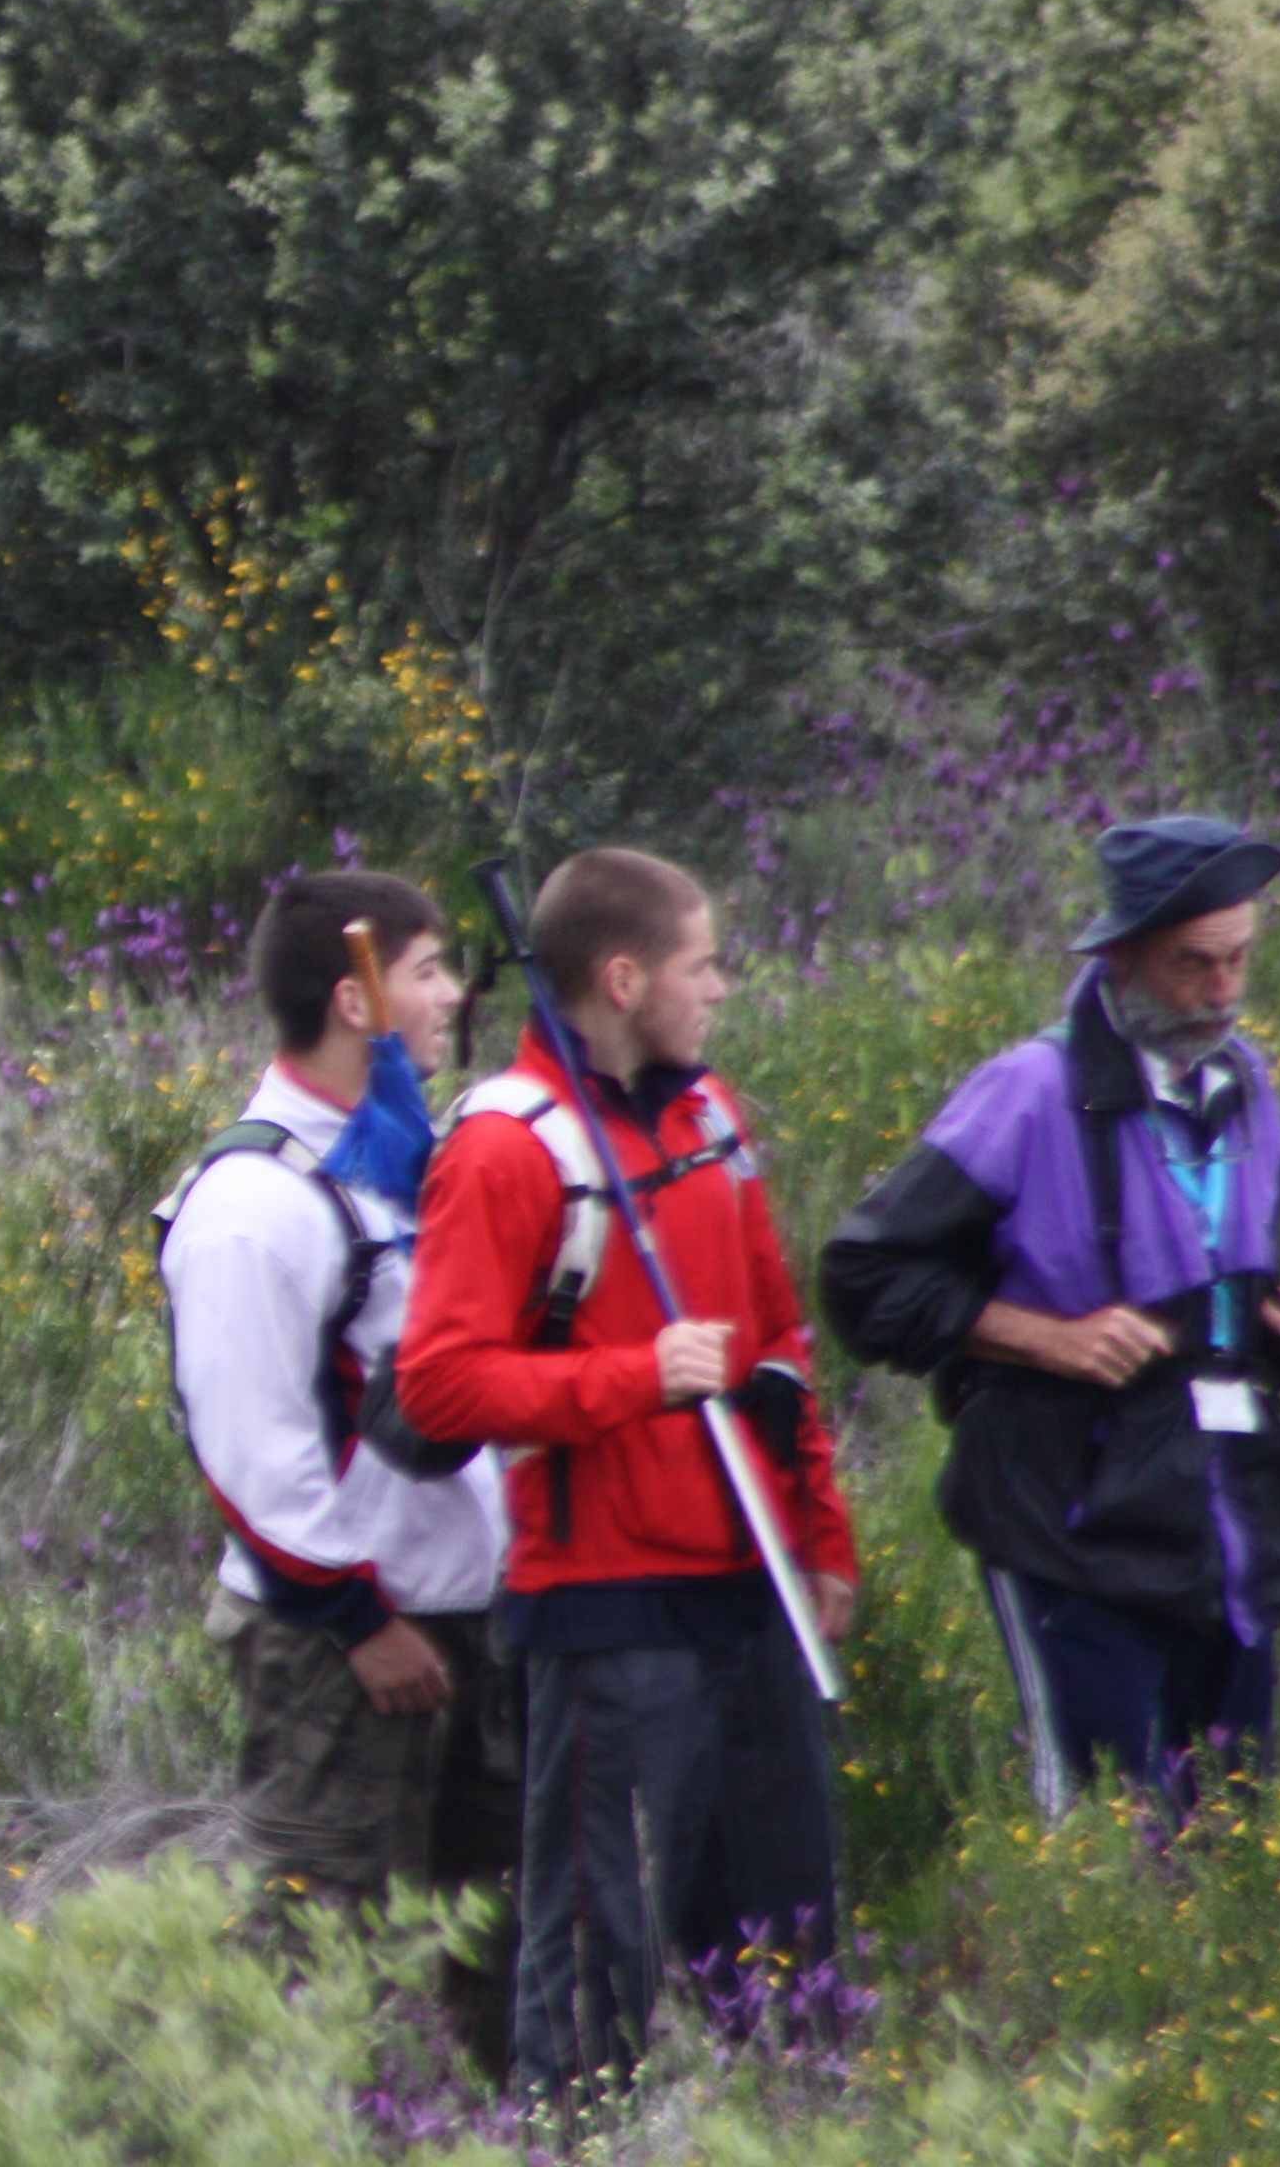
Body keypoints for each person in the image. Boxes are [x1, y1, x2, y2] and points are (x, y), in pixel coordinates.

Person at [396, 848, 858, 2096]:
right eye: (700, 965)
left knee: (791, 1940)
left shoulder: (714, 1119)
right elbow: (439, 1386)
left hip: (752, 1589)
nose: (718, 988)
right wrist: (631, 1379)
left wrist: (819, 1538)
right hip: (603, 1611)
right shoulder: (502, 1150)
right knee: (595, 1954)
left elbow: (780, 1346)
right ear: (621, 977)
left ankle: (804, 2121)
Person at [821, 815, 1280, 1817]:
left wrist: (1273, 1319)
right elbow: (865, 1276)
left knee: (1233, 1831)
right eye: (1191, 964)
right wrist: (1046, 1338)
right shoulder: (1029, 1092)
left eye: (1238, 960)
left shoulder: (1250, 1084)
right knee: (1100, 1838)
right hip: (1069, 1522)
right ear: (1119, 958)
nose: (1221, 992)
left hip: (1227, 1524)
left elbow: (1234, 1270)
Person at [157, 872, 517, 2075]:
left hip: (470, 1622)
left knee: (502, 1949)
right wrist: (358, 1620)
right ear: (356, 1001)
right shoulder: (253, 1203)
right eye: (427, 970)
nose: (453, 994)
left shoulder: (410, 1161)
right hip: (343, 1646)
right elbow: (249, 1450)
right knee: (321, 1965)